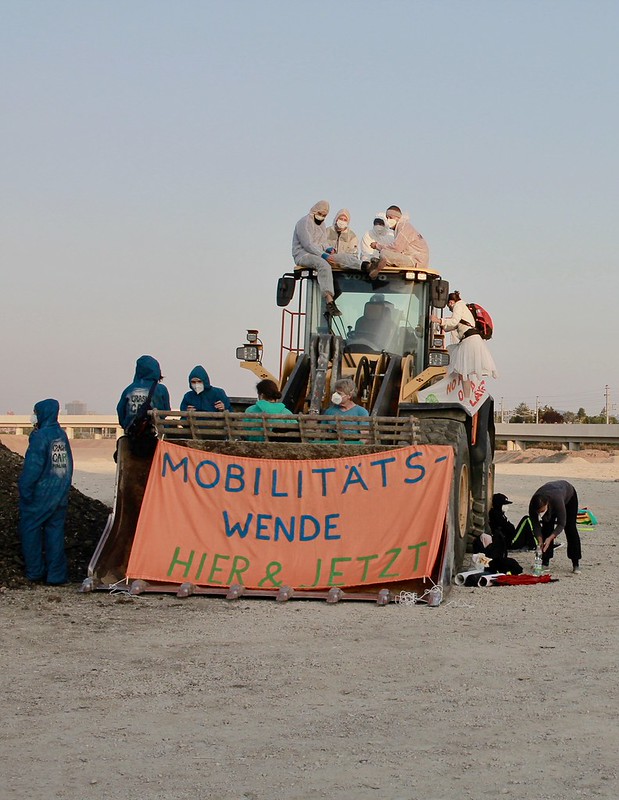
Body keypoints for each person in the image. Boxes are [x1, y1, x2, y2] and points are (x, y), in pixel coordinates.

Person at [18, 398, 74, 585]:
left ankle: (35, 572)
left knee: (30, 529)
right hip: (60, 493)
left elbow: (32, 468)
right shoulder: (61, 435)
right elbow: (68, 465)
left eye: (35, 412)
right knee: (54, 532)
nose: (33, 416)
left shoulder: (41, 437)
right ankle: (56, 575)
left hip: (41, 494)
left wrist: (25, 492)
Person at [430, 291, 497, 395]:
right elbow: (453, 325)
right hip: (470, 339)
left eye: (449, 307)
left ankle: (465, 397)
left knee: (462, 370)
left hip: (469, 340)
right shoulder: (463, 308)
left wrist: (438, 320)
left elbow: (454, 321)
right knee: (461, 369)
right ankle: (466, 396)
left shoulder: (459, 306)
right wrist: (442, 324)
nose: (450, 309)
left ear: (451, 302)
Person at [292, 200, 342, 316]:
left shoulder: (322, 225)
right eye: (320, 214)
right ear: (314, 210)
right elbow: (308, 244)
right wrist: (323, 255)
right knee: (323, 265)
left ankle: (365, 265)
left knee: (339, 259)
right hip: (303, 255)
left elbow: (323, 242)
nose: (322, 217)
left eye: (324, 215)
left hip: (317, 254)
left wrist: (329, 249)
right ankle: (329, 301)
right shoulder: (303, 222)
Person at [528, 480, 582, 573]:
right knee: (546, 528)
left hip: (569, 496)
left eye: (542, 511)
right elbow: (535, 524)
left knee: (570, 528)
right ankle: (545, 562)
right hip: (551, 494)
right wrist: (540, 540)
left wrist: (551, 538)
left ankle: (575, 563)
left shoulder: (557, 500)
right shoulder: (533, 504)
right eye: (538, 512)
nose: (540, 513)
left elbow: (561, 523)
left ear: (547, 504)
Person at [368, 205, 429, 278]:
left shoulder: (404, 227)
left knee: (384, 253)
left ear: (398, 218)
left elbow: (396, 248)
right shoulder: (401, 227)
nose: (388, 220)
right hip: (412, 259)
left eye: (390, 218)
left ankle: (380, 265)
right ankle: (383, 263)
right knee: (383, 254)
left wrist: (377, 246)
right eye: (387, 218)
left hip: (415, 261)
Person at [117, 355, 171, 432]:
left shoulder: (129, 390)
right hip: (156, 432)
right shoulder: (161, 389)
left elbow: (120, 410)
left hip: (132, 431)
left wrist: (126, 425)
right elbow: (166, 411)